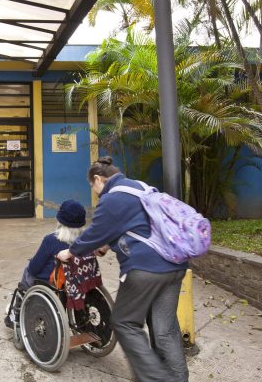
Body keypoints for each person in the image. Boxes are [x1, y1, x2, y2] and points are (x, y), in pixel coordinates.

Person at [57, 156, 189, 382]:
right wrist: (109, 244)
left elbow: (93, 234)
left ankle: (157, 378)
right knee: (165, 330)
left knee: (124, 323)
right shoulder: (140, 188)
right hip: (174, 265)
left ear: (98, 179)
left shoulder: (112, 198)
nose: (95, 191)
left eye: (93, 186)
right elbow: (139, 226)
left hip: (146, 269)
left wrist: (69, 252)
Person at [4, 199, 87, 328]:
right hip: (75, 283)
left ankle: (16, 312)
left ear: (60, 220)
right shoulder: (86, 242)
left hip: (52, 284)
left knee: (28, 271)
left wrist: (31, 263)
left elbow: (35, 268)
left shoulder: (51, 240)